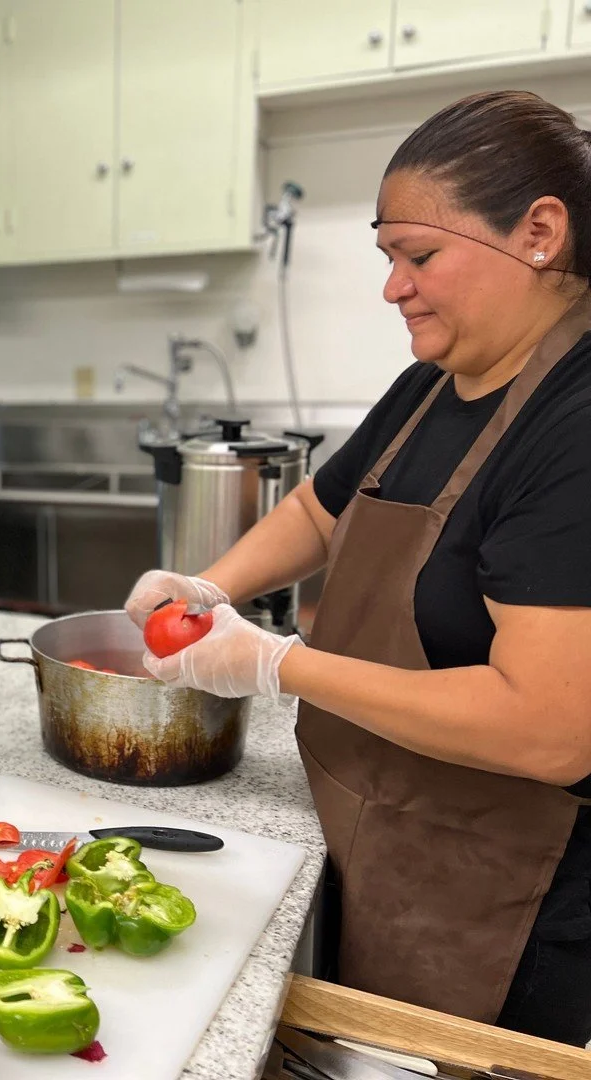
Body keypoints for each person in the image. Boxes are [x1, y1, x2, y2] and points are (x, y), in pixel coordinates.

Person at [127, 90, 591, 1044]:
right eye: (390, 260)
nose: (394, 289)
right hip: (372, 829)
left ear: (540, 233)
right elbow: (316, 509)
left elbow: (549, 730)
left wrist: (275, 664)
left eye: (420, 257)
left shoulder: (574, 426)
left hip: (508, 898)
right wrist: (212, 586)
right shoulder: (433, 385)